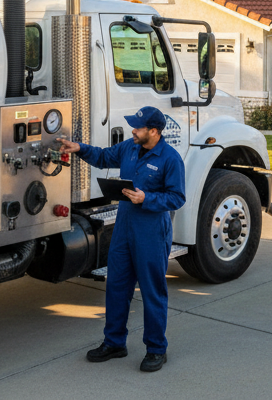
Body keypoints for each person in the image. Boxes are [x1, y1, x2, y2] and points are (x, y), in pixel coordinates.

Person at [59, 105, 185, 372]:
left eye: (138, 127)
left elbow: (177, 197)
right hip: (124, 227)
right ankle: (115, 342)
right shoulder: (129, 147)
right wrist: (79, 148)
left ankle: (156, 349)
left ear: (153, 131)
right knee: (117, 286)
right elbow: (104, 157)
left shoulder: (170, 159)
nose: (133, 130)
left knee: (152, 291)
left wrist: (146, 198)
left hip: (151, 230)